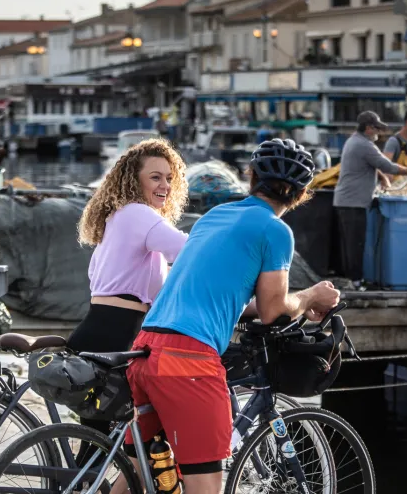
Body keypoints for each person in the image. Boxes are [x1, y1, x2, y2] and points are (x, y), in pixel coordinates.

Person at [123, 138, 341, 494]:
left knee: (135, 477)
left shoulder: (215, 216)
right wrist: (310, 296)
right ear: (302, 194)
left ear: (250, 175)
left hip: (146, 349)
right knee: (204, 484)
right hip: (188, 361)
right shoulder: (275, 230)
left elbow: (224, 294)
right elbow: (273, 311)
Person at [70, 138, 189, 435]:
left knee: (99, 442)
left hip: (98, 330)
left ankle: (87, 483)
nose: (165, 185)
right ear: (133, 181)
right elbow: (189, 251)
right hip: (118, 334)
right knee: (153, 424)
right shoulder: (139, 214)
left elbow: (159, 283)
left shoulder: (117, 218)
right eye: (155, 177)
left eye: (169, 178)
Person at [333, 111, 407, 286]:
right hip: (353, 203)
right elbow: (386, 165)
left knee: (350, 244)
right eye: (376, 129)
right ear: (368, 128)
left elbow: (373, 165)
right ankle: (356, 282)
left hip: (346, 201)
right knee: (355, 244)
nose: (378, 133)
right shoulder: (365, 145)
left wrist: (381, 177)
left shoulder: (354, 141)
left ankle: (351, 280)